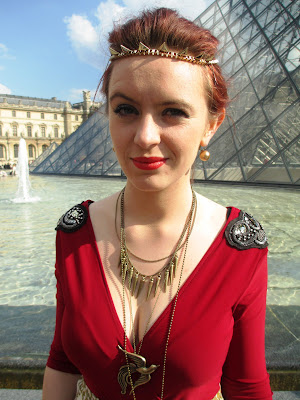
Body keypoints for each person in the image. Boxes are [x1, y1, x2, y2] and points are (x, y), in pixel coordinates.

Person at [42, 8, 273, 400]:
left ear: (211, 125)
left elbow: (247, 385)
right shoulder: (74, 230)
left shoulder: (241, 245)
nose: (146, 136)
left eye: (173, 112)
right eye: (126, 109)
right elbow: (63, 360)